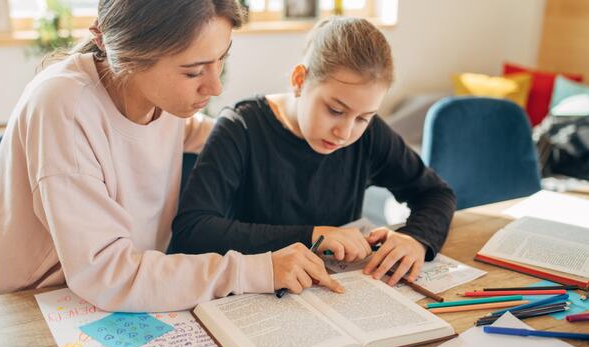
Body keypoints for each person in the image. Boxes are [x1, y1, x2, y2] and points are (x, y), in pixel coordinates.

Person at [0, 0, 345, 311]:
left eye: (221, 59)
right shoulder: (63, 106)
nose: (215, 86)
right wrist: (257, 268)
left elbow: (212, 136)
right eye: (193, 72)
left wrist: (287, 126)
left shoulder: (166, 104)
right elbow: (107, 272)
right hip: (18, 307)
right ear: (126, 55)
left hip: (100, 301)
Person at [172, 17, 457, 291]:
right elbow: (193, 230)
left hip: (333, 293)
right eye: (335, 110)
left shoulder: (369, 135)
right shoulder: (241, 127)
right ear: (299, 80)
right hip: (253, 294)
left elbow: (436, 193)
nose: (345, 132)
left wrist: (416, 238)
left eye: (363, 118)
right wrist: (312, 236)